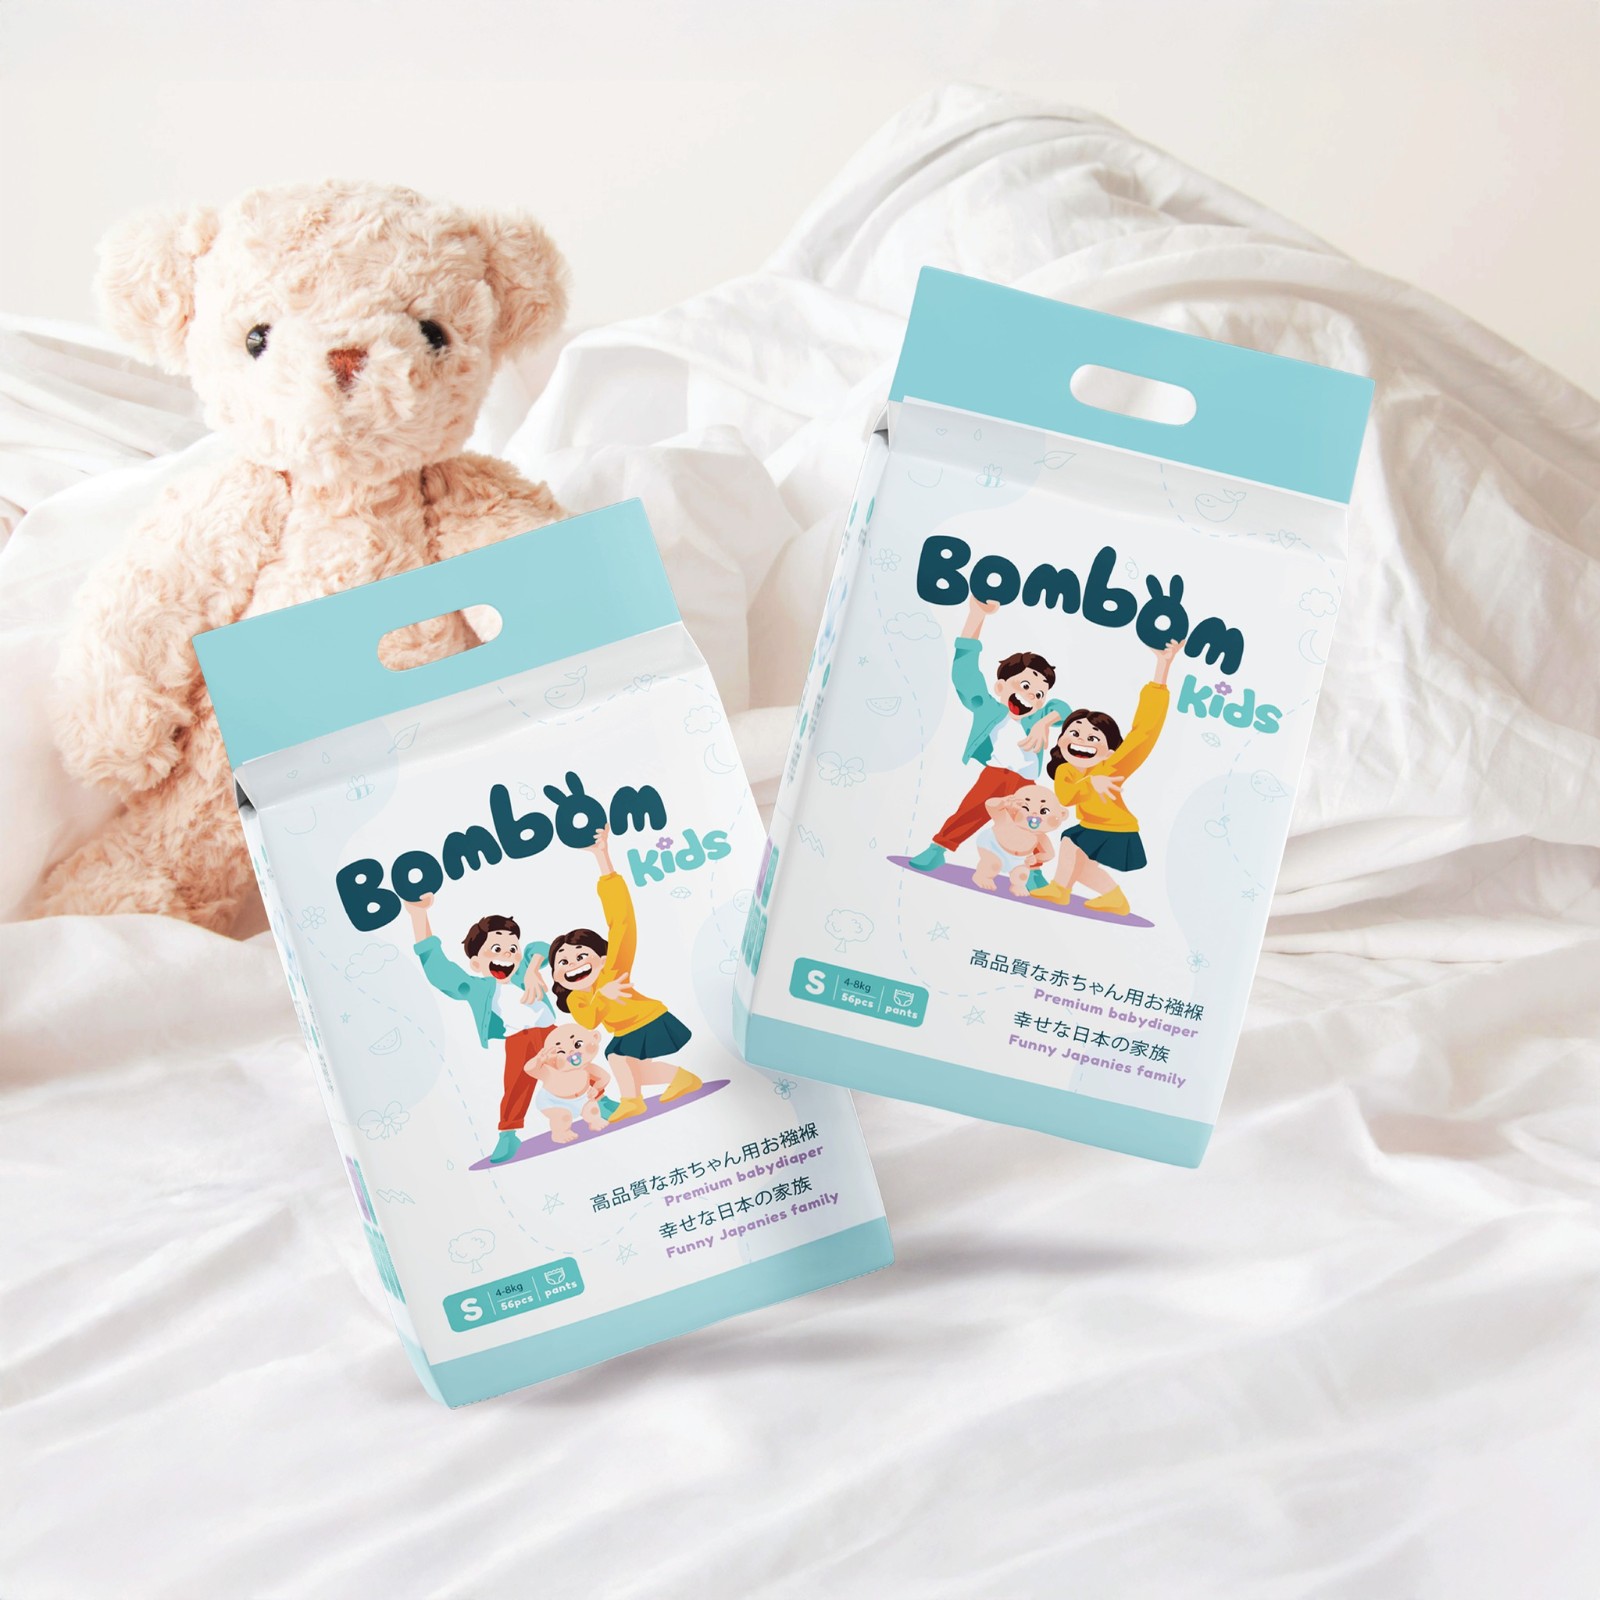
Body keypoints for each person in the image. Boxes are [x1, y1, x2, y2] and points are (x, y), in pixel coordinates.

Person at [547, 827, 701, 1123]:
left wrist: (603, 859)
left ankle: (632, 1101)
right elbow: (589, 1021)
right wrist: (602, 997)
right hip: (626, 1031)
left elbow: (622, 922)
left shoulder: (613, 970)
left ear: (602, 958)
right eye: (563, 962)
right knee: (634, 1069)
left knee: (617, 1058)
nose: (573, 964)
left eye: (581, 955)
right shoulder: (578, 999)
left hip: (649, 1019)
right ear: (556, 975)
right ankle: (682, 1078)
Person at [402, 895, 569, 1164]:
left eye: (512, 948)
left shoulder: (523, 969)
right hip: (517, 1039)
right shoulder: (477, 988)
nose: (507, 954)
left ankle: (599, 1099)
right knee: (516, 1086)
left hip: (550, 1032)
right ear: (477, 964)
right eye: (496, 949)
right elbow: (440, 972)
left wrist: (531, 969)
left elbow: (542, 947)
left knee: (574, 1064)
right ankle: (508, 1134)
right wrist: (419, 917)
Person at [908, 595, 1071, 872]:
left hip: (1027, 782)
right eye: (1025, 686)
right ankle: (938, 849)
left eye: (1038, 694)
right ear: (1000, 687)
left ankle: (1033, 871)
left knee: (1033, 825)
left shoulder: (1039, 715)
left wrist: (1045, 722)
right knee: (970, 811)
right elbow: (965, 674)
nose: (1031, 696)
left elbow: (1063, 708)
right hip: (996, 774)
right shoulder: (988, 709)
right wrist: (976, 616)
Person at [1031, 639, 1183, 917]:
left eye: (1093, 738)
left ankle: (1061, 889)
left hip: (1117, 829)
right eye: (1074, 733)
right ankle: (1112, 898)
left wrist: (1162, 670)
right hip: (1092, 826)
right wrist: (1091, 783)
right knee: (1079, 862)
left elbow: (1144, 732)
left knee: (1071, 844)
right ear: (1061, 739)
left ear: (1110, 751)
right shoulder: (1065, 770)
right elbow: (1066, 797)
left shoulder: (1113, 767)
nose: (1081, 741)